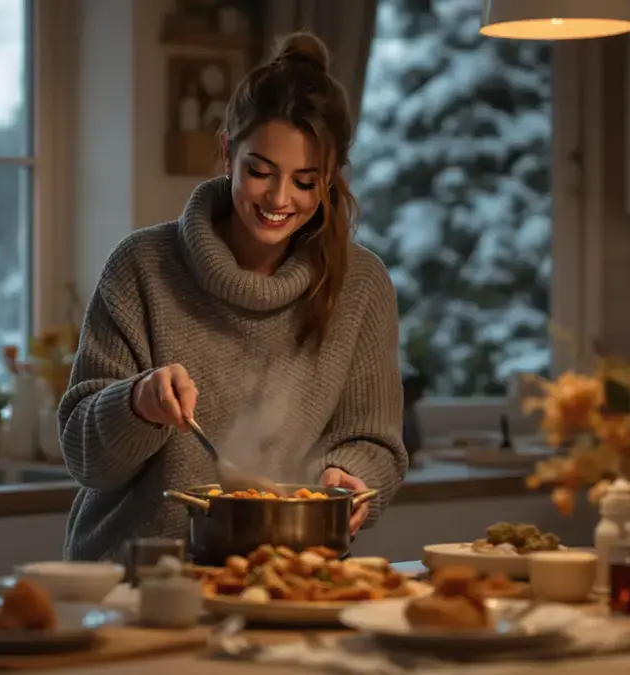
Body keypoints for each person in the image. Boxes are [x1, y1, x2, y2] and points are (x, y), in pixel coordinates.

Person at [59, 31, 408, 562]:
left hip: (284, 576)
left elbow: (375, 441)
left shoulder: (360, 287)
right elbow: (85, 457)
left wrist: (352, 477)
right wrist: (137, 403)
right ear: (227, 151)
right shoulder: (142, 266)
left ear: (332, 176)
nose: (279, 199)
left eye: (305, 181)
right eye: (260, 171)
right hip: (132, 577)